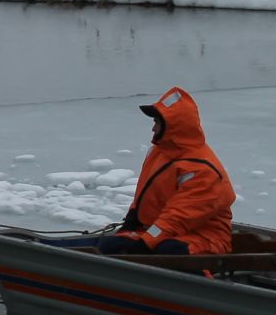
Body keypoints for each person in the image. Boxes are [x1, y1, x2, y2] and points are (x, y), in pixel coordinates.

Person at [97, 87, 236, 256]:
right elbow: (145, 198)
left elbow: (178, 217)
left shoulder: (202, 170)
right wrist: (131, 222)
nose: (153, 129)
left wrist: (145, 244)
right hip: (163, 232)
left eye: (157, 122)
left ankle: (203, 278)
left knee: (169, 251)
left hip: (205, 238)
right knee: (111, 245)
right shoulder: (159, 153)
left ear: (173, 126)